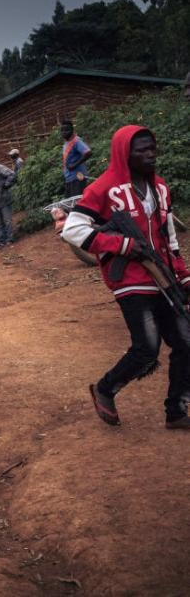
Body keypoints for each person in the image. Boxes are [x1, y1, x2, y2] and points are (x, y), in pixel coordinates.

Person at [62, 125, 190, 429]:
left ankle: (177, 409)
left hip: (163, 275)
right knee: (147, 348)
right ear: (124, 153)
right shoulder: (103, 188)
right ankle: (106, 389)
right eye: (141, 150)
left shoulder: (159, 187)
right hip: (129, 278)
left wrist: (183, 276)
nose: (149, 155)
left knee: (186, 341)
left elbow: (169, 237)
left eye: (152, 149)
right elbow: (72, 229)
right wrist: (122, 245)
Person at [61, 120, 92, 197]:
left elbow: (88, 152)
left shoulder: (76, 141)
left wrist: (74, 165)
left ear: (72, 130)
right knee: (69, 203)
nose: (64, 132)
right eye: (62, 130)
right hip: (69, 178)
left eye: (66, 130)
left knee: (77, 202)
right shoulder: (66, 142)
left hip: (78, 178)